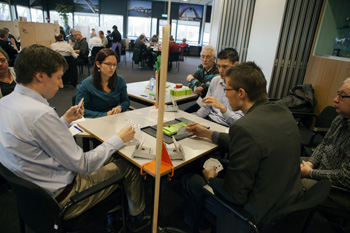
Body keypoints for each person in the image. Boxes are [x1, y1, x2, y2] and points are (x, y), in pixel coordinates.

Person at [0, 44, 150, 233]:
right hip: (66, 198)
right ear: (39, 76)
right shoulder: (40, 114)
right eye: (58, 77)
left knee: (111, 157)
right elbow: (84, 165)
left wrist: (63, 121)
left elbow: (36, 138)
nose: (61, 85)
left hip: (34, 196)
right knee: (128, 167)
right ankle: (138, 220)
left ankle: (115, 211)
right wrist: (118, 138)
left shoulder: (4, 104)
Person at [182, 62, 304, 233]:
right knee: (220, 161)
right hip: (287, 204)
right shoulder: (283, 113)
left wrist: (210, 179)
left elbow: (235, 195)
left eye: (227, 89)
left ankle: (200, 227)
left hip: (252, 217)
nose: (224, 93)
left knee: (191, 179)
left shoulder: (245, 127)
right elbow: (256, 142)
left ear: (241, 93)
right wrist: (208, 134)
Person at [300, 78, 350, 210]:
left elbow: (345, 178)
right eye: (337, 94)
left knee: (290, 183)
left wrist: (310, 172)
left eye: (342, 96)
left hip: (335, 187)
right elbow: (324, 143)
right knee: (285, 164)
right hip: (319, 169)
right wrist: (311, 162)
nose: (335, 99)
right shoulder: (340, 119)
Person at [194, 48, 243, 126]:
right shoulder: (216, 80)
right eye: (219, 66)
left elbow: (238, 122)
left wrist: (223, 109)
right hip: (209, 121)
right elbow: (206, 108)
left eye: (224, 67)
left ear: (236, 65)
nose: (220, 70)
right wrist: (193, 119)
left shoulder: (242, 87)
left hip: (226, 126)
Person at [76, 48, 130, 118]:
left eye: (114, 65)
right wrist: (105, 115)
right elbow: (80, 110)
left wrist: (120, 107)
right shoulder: (85, 85)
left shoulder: (120, 80)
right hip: (95, 121)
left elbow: (126, 101)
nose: (112, 68)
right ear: (98, 64)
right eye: (108, 64)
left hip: (115, 119)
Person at [185, 45, 219, 113]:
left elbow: (204, 88)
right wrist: (195, 89)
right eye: (203, 56)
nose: (205, 60)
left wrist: (192, 79)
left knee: (187, 114)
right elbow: (189, 83)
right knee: (184, 113)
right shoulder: (200, 67)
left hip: (212, 105)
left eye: (208, 57)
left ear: (214, 59)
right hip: (202, 101)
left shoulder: (217, 71)